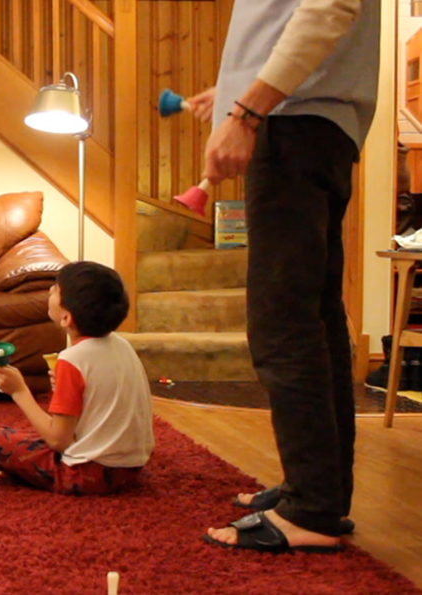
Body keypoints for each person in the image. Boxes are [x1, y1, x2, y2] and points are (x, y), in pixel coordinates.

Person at [195, 0, 379, 552]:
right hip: (311, 123)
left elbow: (328, 9)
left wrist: (247, 112)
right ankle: (319, 492)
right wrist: (234, 89)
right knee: (315, 321)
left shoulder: (273, 117)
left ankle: (313, 509)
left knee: (282, 324)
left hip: (291, 125)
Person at [0, 262, 154, 495]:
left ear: (66, 318)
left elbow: (59, 441)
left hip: (86, 474)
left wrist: (19, 391)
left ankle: (18, 471)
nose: (50, 292)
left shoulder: (73, 360)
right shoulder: (123, 345)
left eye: (56, 290)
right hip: (131, 469)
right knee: (26, 438)